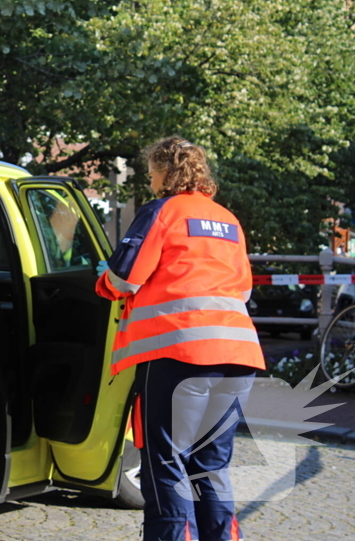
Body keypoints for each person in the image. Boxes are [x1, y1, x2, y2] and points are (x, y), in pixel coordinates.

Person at [95, 137, 264, 541]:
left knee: (167, 464)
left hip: (179, 353)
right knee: (211, 466)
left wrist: (102, 282)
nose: (150, 181)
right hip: (238, 356)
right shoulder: (227, 219)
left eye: (151, 173)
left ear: (165, 172)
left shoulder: (162, 211)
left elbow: (124, 277)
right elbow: (242, 290)